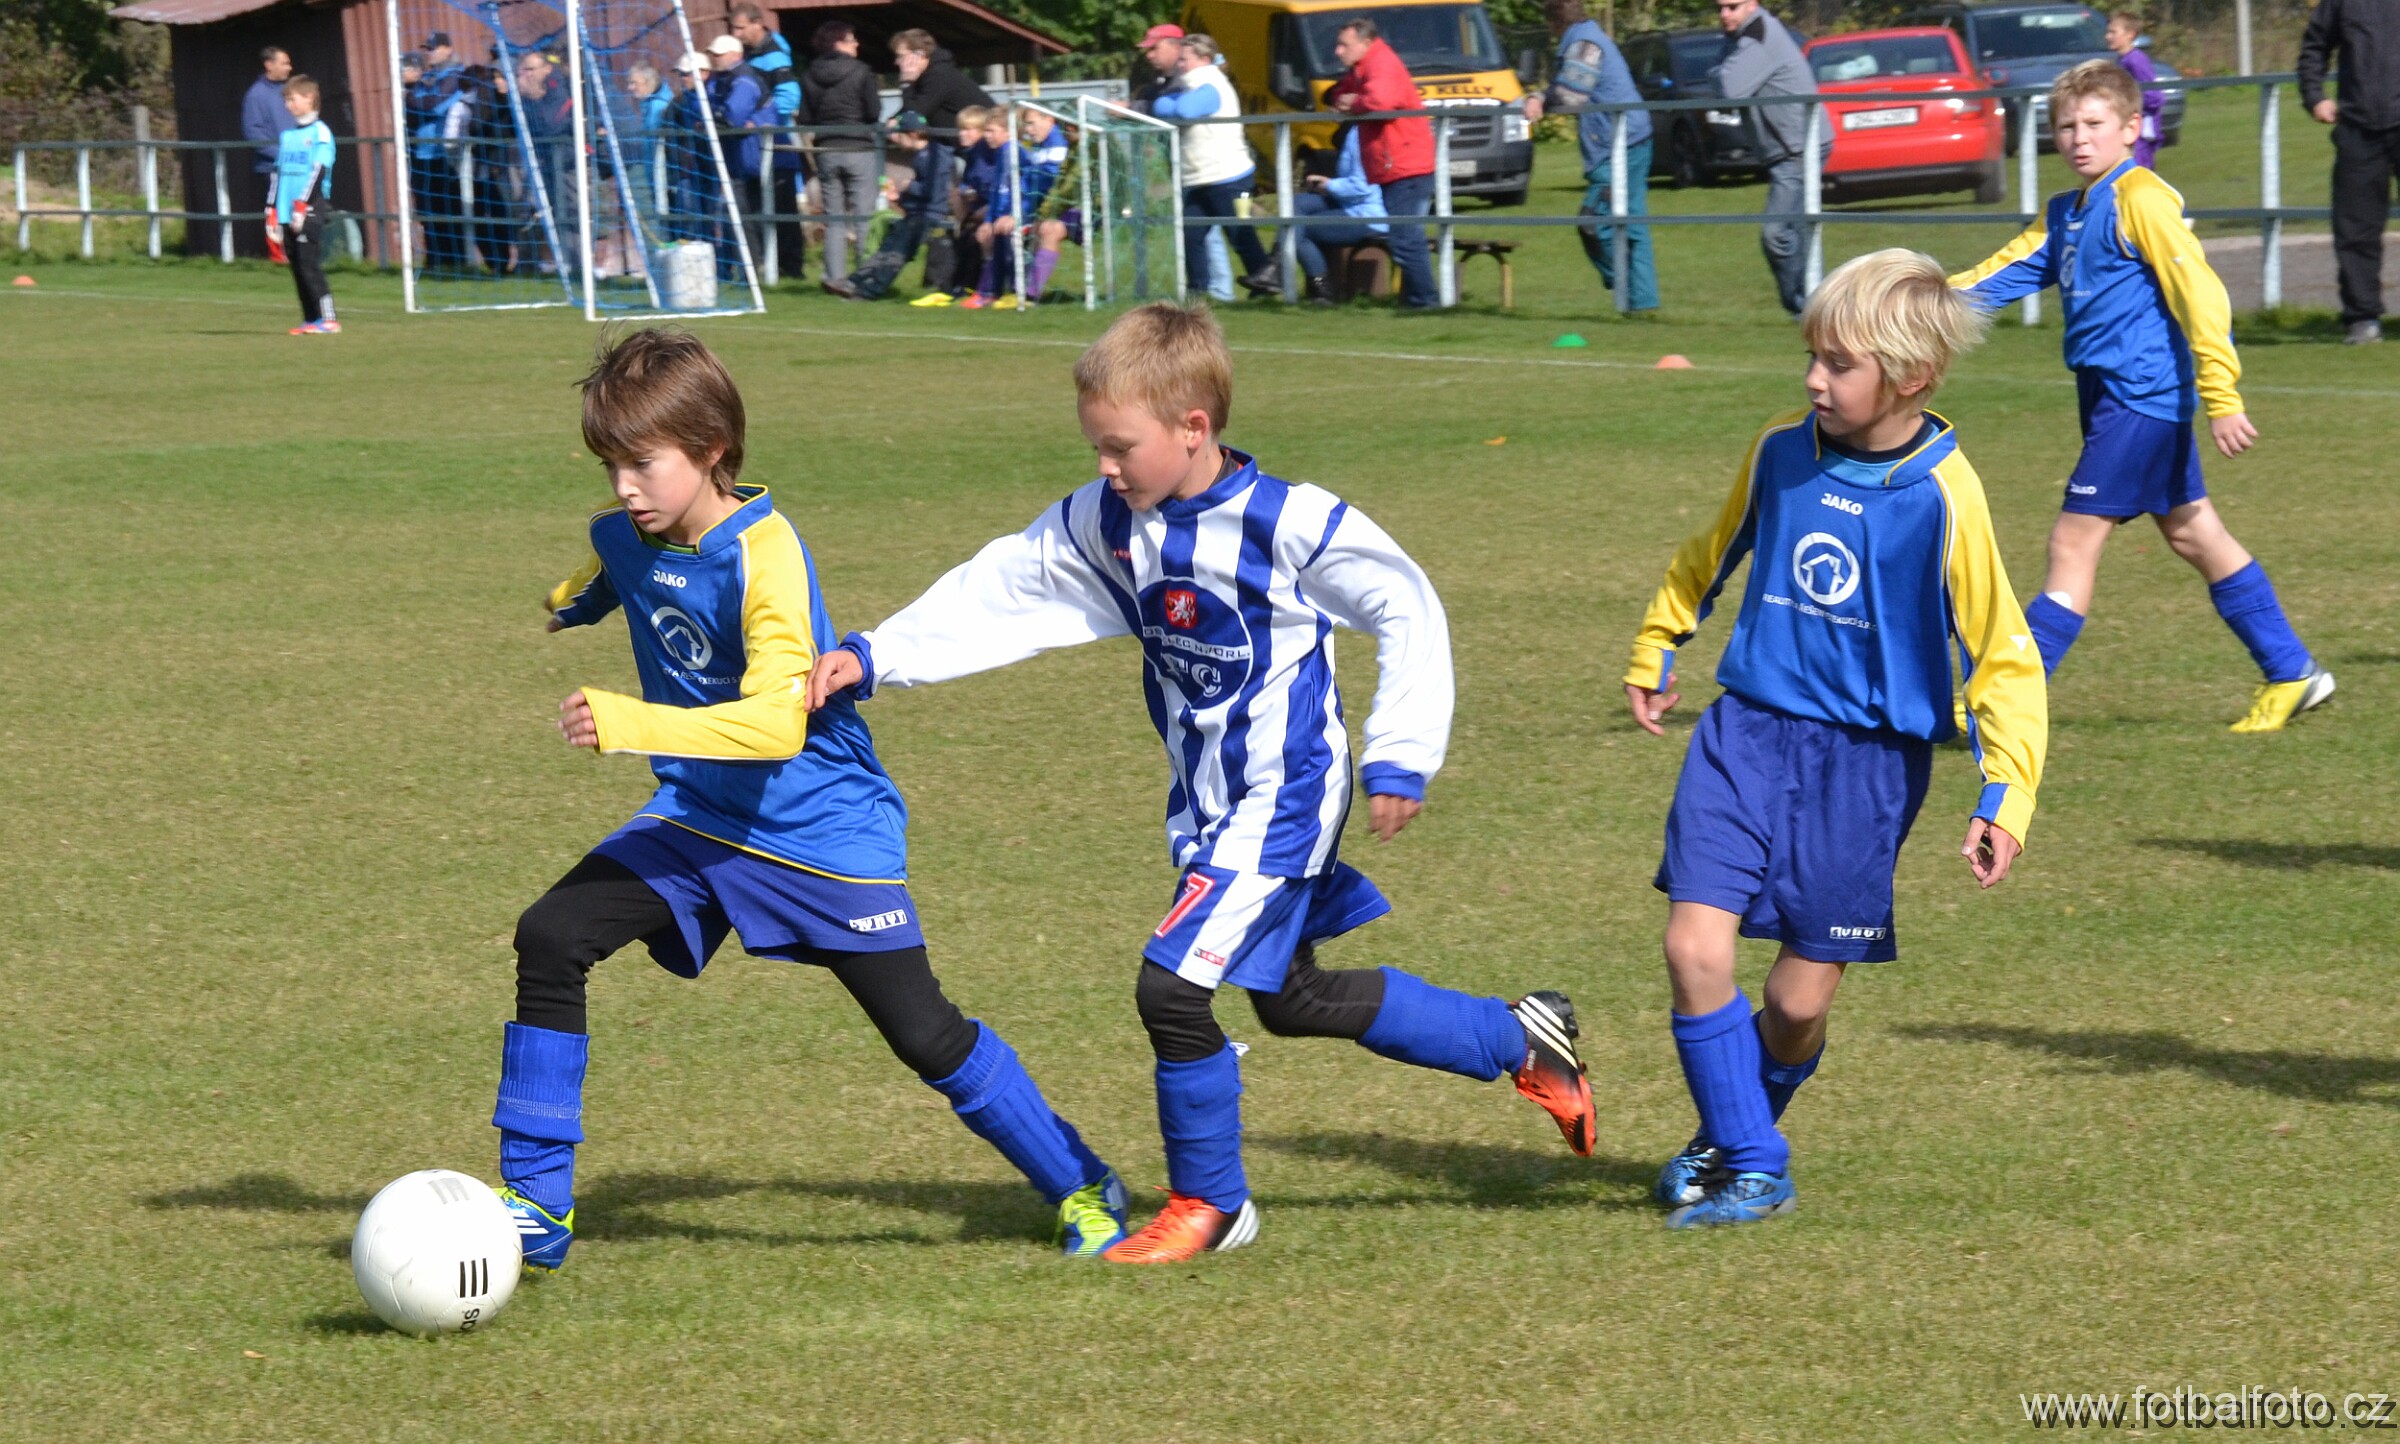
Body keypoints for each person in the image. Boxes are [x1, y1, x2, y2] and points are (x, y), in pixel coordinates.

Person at [804, 302, 1602, 1263]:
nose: (1106, 466)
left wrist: (1400, 749)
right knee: (1292, 998)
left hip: (1288, 794)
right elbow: (1008, 584)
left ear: (1193, 428)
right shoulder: (1111, 519)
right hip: (1207, 805)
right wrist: (874, 655)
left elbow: (1405, 601)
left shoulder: (1288, 522)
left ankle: (1212, 1205)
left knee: (1172, 988)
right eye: (1096, 447)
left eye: (1120, 446)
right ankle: (1519, 1038)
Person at [494, 328, 1132, 1271]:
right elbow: (610, 569)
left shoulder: (769, 558)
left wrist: (629, 720)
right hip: (699, 817)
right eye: (610, 466)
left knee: (925, 1034)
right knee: (551, 934)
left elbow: (774, 727)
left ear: (711, 449)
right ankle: (536, 1206)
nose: (624, 488)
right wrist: (570, 603)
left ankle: (1081, 1181)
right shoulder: (625, 532)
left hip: (819, 830)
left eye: (643, 464)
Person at [1624, 249, 2045, 1229]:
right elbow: (1712, 549)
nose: (1815, 379)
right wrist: (1660, 638)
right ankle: (1756, 1161)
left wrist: (2006, 794)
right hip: (1746, 734)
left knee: (1798, 1006)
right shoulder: (1781, 451)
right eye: (1812, 356)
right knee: (1693, 945)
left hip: (1865, 769)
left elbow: (2003, 655)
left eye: (1840, 364)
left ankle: (1728, 1134)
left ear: (1912, 376)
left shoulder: (1945, 496)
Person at [1951, 60, 2334, 733]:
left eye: (2094, 124)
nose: (2079, 138)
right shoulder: (2068, 212)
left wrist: (2222, 394)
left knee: (2072, 545)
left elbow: (2201, 295)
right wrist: (1920, 301)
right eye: (2066, 127)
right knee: (2194, 533)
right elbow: (2002, 273)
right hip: (2109, 399)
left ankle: (2000, 704)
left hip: (2141, 401)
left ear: (2131, 128)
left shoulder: (2142, 199)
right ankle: (2292, 672)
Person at [1525, 0, 1657, 312]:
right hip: (1632, 138)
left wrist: (1537, 99)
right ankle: (1642, 303)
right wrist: (1540, 96)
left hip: (1620, 146)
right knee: (1631, 223)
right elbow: (1567, 86)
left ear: (1554, 23)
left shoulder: (1585, 45)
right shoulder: (1588, 37)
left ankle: (1627, 287)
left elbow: (1570, 95)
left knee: (1593, 224)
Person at [1711, 0, 1826, 317]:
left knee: (1776, 234)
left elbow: (1729, 90)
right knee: (1798, 234)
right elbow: (1724, 80)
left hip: (1800, 148)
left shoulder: (1758, 35)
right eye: (1720, 8)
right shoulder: (1740, 38)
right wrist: (1722, 74)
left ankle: (1804, 310)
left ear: (1752, 4)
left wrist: (1720, 75)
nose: (1724, 15)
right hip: (1790, 148)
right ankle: (1820, 310)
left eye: (1732, 7)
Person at [2298, 0, 2400, 344]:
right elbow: (2314, 46)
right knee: (2356, 230)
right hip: (2359, 127)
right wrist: (2315, 96)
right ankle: (2363, 317)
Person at [1325, 20, 1439, 309]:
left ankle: (1425, 300)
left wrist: (1354, 103)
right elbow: (1339, 95)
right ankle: (1418, 300)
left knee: (1405, 236)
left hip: (1407, 165)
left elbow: (1381, 101)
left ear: (1366, 43)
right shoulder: (1361, 67)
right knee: (1404, 236)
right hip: (1393, 165)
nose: (1338, 51)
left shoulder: (1382, 64)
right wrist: (1348, 100)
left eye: (1344, 45)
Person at [1152, 35, 1273, 299]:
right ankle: (1198, 291)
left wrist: (1165, 104)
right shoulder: (1192, 86)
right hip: (1200, 178)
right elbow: (1162, 106)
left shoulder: (1211, 85)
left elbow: (1184, 111)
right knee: (1191, 234)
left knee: (1238, 232)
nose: (1180, 65)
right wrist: (1164, 104)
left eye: (1184, 59)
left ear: (1204, 59)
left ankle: (1265, 280)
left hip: (1229, 176)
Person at [892, 30, 993, 296]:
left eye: (901, 56)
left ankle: (979, 280)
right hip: (965, 151)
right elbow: (910, 112)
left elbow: (915, 116)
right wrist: (894, 120)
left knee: (966, 209)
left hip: (985, 153)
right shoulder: (929, 78)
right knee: (958, 210)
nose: (897, 62)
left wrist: (906, 84)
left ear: (918, 55)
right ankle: (961, 278)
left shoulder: (940, 75)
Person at [1242, 123, 1383, 303]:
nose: (1331, 109)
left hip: (1366, 213)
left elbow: (1362, 188)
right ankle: (1275, 268)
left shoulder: (1360, 132)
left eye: (1337, 104)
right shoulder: (1352, 130)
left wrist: (1329, 185)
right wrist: (1327, 184)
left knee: (1298, 228)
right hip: (1348, 203)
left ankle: (1321, 290)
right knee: (1297, 203)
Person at [824, 112, 949, 300]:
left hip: (927, 216)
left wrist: (909, 186)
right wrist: (899, 197)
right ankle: (853, 281)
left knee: (895, 255)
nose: (896, 139)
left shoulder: (933, 157)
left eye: (899, 134)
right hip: (915, 213)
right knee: (886, 248)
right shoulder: (922, 155)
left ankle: (869, 291)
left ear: (913, 134)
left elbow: (932, 191)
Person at [961, 107, 1069, 308]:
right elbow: (999, 190)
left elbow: (1034, 187)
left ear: (1008, 132)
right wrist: (989, 220)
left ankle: (1014, 291)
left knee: (1010, 237)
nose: (986, 136)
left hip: (1028, 211)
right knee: (991, 236)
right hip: (1011, 210)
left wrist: (1016, 215)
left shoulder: (1021, 151)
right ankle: (989, 291)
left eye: (991, 131)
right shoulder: (1004, 152)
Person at [802, 20, 883, 286]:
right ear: (838, 43)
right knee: (863, 216)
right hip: (858, 147)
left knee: (834, 218)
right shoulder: (861, 71)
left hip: (826, 149)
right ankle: (865, 278)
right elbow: (873, 112)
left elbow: (805, 117)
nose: (857, 43)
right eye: (851, 39)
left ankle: (833, 277)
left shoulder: (809, 73)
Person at [730, 5, 804, 278]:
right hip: (754, 146)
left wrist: (763, 119)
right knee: (758, 205)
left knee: (783, 207)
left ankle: (792, 267)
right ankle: (767, 263)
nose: (736, 34)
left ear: (758, 23)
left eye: (741, 28)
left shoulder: (774, 55)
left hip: (776, 143)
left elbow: (790, 96)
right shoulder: (752, 55)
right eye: (734, 29)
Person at [267, 74, 338, 335]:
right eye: (286, 100)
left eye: (292, 99)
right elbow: (277, 175)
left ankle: (329, 318)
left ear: (309, 98)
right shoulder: (287, 136)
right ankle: (310, 319)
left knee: (309, 263)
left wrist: (302, 205)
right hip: (287, 211)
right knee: (297, 266)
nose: (288, 105)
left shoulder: (320, 132)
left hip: (309, 208)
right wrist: (271, 210)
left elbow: (318, 170)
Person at [707, 34, 773, 278]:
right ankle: (749, 267)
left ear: (735, 55)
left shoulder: (743, 80)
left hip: (749, 156)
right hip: (738, 155)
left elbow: (732, 115)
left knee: (745, 213)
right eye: (713, 55)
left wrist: (716, 115)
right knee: (741, 213)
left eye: (719, 54)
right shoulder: (723, 80)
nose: (715, 59)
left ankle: (752, 268)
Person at [242, 46, 293, 255]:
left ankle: (298, 252)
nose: (289, 68)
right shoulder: (256, 95)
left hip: (298, 165)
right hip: (273, 167)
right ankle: (278, 255)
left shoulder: (291, 91)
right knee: (276, 210)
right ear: (269, 65)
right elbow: (253, 132)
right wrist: (282, 155)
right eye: (284, 63)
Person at [2103, 12, 2165, 171]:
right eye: (2108, 32)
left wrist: (2132, 110)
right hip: (2126, 126)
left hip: (2140, 130)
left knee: (2138, 171)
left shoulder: (2136, 60)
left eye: (2113, 32)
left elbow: (2154, 96)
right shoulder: (2121, 61)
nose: (2107, 37)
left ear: (2130, 34)